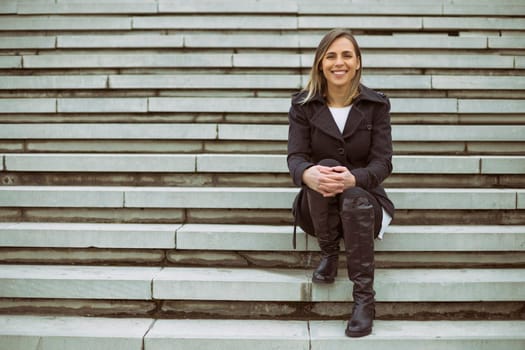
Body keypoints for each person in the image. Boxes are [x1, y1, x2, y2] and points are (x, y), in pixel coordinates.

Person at [287, 28, 395, 338]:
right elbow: (295, 157)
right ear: (320, 63)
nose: (339, 62)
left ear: (358, 62)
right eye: (331, 56)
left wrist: (354, 179)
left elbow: (382, 162)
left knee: (353, 195)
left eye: (347, 55)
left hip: (364, 204)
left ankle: (364, 299)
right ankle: (329, 252)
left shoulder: (377, 105)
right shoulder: (303, 105)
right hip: (316, 205)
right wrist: (308, 174)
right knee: (325, 167)